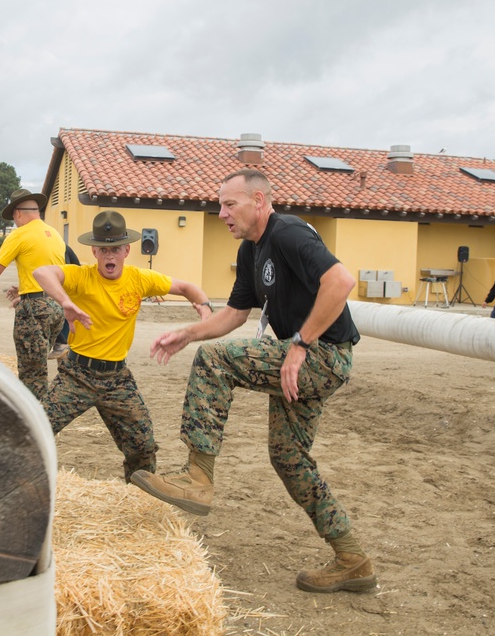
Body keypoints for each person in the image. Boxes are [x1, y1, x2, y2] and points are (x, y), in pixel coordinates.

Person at [130, 169, 374, 594]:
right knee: (288, 457)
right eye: (220, 204)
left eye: (229, 204)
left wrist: (299, 345)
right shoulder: (250, 251)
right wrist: (187, 334)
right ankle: (352, 558)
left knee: (216, 361)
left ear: (259, 201)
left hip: (324, 355)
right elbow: (235, 314)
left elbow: (341, 282)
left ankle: (198, 479)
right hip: (299, 360)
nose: (221, 212)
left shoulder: (288, 233)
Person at [33, 210, 210, 482]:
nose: (109, 255)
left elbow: (186, 287)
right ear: (94, 251)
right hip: (77, 376)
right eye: (103, 250)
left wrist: (204, 309)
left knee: (143, 447)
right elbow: (42, 272)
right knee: (36, 430)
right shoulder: (82, 277)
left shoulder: (140, 279)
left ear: (127, 250)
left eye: (115, 248)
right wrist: (66, 302)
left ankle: (138, 497)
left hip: (117, 380)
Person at [0, 189, 66, 401]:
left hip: (35, 311)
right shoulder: (54, 234)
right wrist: (24, 291)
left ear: (18, 213)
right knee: (38, 366)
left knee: (32, 376)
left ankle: (36, 419)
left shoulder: (20, 235)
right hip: (56, 307)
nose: (14, 221)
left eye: (13, 216)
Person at [47, 244, 80, 360]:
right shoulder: (54, 245)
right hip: (65, 295)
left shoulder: (58, 247)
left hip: (68, 295)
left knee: (65, 340)